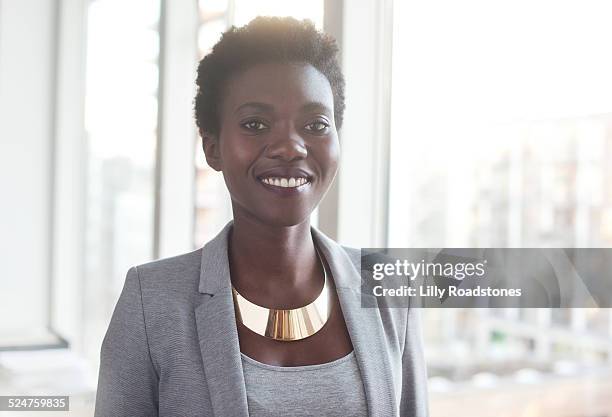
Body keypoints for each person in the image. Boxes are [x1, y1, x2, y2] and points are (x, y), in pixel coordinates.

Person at [94, 16, 428, 417]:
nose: (290, 147)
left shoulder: (389, 291)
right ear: (213, 147)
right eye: (256, 124)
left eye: (315, 124)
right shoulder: (151, 302)